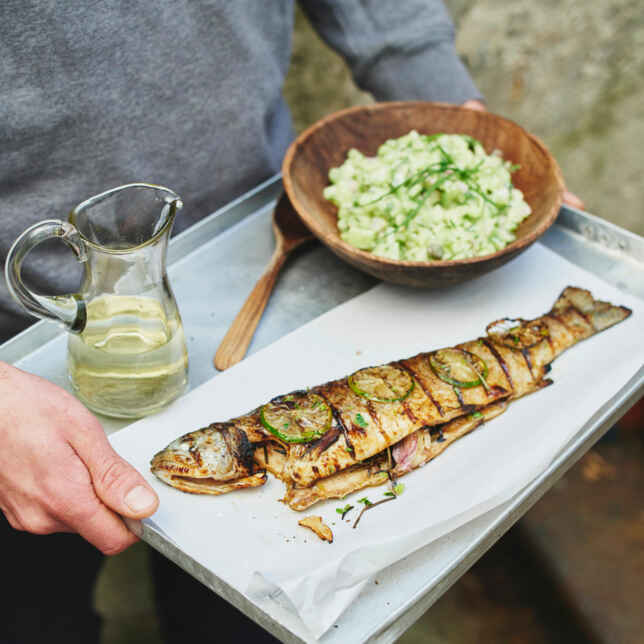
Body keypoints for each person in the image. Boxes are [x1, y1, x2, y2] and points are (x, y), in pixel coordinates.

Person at [0, 2, 582, 642]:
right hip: (17, 363)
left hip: (265, 224)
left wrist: (462, 124)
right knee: (32, 611)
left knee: (236, 620)